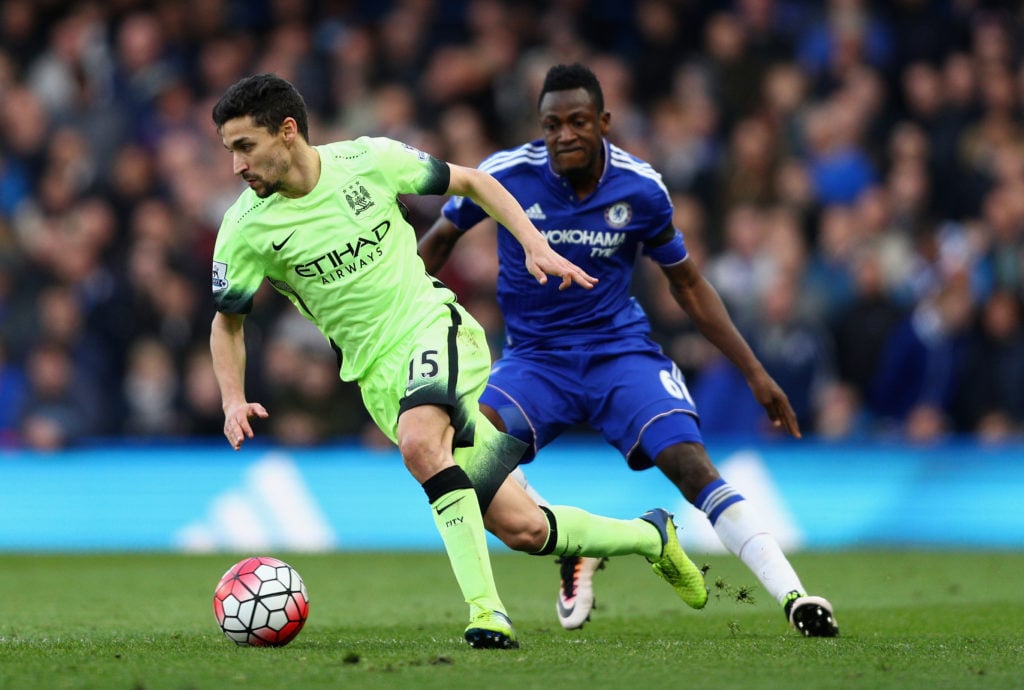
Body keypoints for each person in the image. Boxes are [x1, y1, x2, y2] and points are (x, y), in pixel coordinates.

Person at [208, 73, 709, 650]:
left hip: (435, 329)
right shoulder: (244, 230)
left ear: (287, 132)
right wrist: (231, 397)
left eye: (245, 147)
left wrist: (533, 242)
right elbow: (228, 322)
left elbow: (474, 181)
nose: (238, 166)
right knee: (522, 527)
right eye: (230, 152)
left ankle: (487, 612)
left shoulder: (367, 161)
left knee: (422, 445)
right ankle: (652, 537)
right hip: (376, 378)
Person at [419, 63, 839, 637]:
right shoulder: (505, 175)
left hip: (621, 355)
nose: (564, 134)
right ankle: (576, 544)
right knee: (471, 460)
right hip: (535, 361)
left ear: (604, 122)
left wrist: (755, 372)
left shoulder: (641, 188)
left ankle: (795, 596)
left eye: (577, 121)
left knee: (692, 466)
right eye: (551, 124)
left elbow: (687, 283)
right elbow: (440, 240)